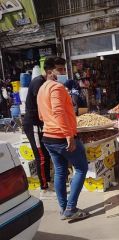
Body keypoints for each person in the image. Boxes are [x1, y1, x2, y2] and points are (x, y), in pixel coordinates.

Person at [37, 57, 89, 220]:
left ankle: (63, 207)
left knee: (60, 172)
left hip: (48, 137)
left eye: (63, 69)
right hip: (61, 137)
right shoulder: (56, 88)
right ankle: (71, 208)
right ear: (49, 71)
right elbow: (58, 113)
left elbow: (41, 115)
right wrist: (69, 136)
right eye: (59, 69)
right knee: (81, 168)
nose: (62, 73)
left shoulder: (42, 88)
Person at [23, 68, 53, 200]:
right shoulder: (38, 82)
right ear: (49, 71)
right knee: (41, 156)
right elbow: (41, 103)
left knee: (46, 154)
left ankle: (49, 182)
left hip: (40, 124)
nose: (60, 75)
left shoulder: (43, 82)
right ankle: (44, 189)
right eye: (59, 70)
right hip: (33, 124)